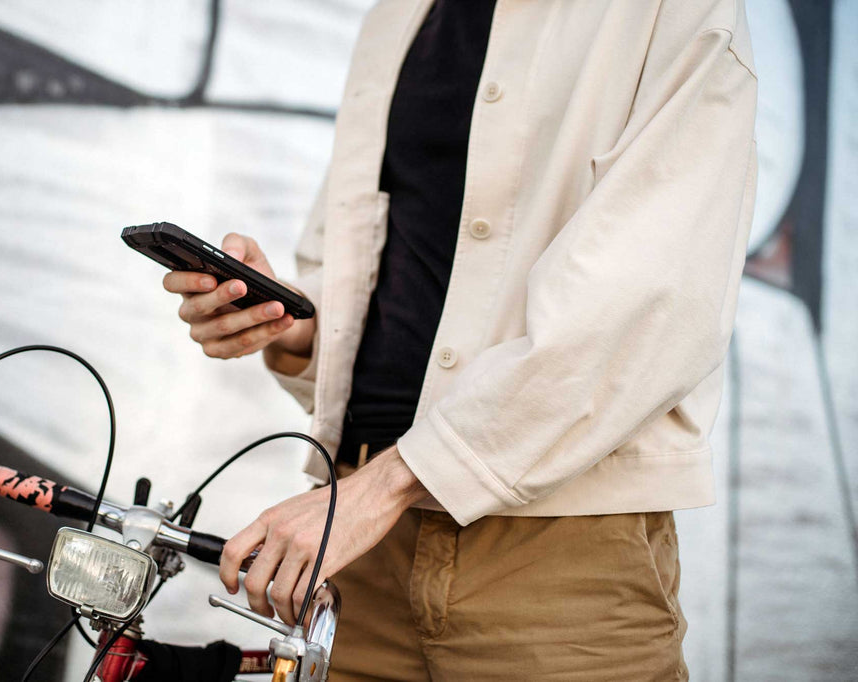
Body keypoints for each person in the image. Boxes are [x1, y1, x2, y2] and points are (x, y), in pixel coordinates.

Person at [163, 0, 757, 678]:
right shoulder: (401, 13)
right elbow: (389, 277)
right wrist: (292, 325)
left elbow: (646, 305)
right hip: (359, 560)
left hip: (557, 564)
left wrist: (385, 487)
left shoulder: (673, 11)